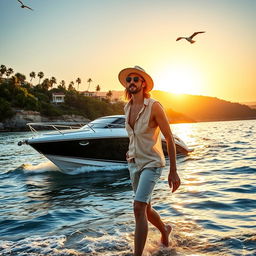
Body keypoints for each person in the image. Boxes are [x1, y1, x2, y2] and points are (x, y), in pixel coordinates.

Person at [118, 66, 181, 256]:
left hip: (152, 163)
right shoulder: (126, 107)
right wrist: (129, 152)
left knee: (138, 207)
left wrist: (173, 171)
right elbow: (133, 136)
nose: (132, 83)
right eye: (129, 79)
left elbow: (169, 138)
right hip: (134, 163)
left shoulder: (154, 106)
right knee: (145, 209)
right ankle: (165, 230)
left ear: (143, 83)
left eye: (136, 79)